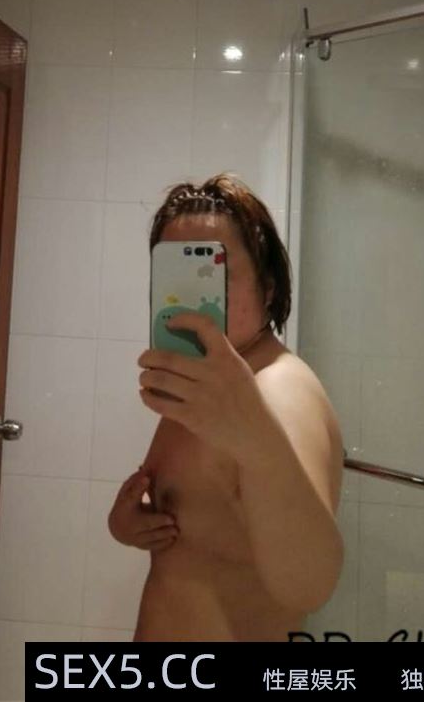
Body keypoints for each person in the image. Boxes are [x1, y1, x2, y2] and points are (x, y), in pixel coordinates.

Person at [107, 173, 344, 641]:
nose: (193, 297)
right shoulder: (210, 385)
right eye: (177, 272)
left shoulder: (280, 389)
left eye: (214, 272)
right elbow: (205, 513)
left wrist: (259, 441)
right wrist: (129, 523)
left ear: (268, 287)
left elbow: (310, 585)